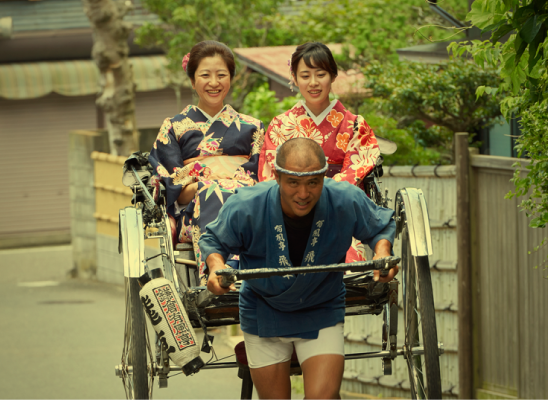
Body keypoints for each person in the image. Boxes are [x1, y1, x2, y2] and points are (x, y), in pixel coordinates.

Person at [200, 138, 397, 399]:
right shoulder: (248, 204)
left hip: (321, 305)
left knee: (323, 397)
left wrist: (383, 253)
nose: (303, 194)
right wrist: (216, 268)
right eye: (293, 182)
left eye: (313, 182)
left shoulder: (344, 198)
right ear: (278, 176)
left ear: (324, 176)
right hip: (263, 309)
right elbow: (214, 240)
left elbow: (380, 226)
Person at [149, 41, 264, 278]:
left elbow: (260, 178)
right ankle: (219, 271)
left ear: (231, 78)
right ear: (192, 81)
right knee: (214, 192)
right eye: (205, 75)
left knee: (240, 197)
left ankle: (225, 272)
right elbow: (175, 188)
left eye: (221, 75)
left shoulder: (253, 126)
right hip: (194, 212)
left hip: (245, 203)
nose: (214, 83)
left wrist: (227, 184)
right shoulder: (173, 127)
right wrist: (207, 183)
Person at [258, 42, 381, 263]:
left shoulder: (354, 125)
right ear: (294, 78)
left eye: (321, 74)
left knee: (348, 255)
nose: (313, 83)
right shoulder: (280, 125)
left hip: (338, 209)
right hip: (291, 210)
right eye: (305, 76)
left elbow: (355, 171)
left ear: (333, 75)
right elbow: (270, 176)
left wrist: (320, 195)